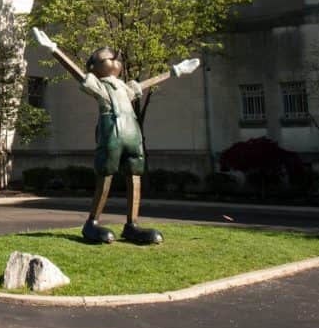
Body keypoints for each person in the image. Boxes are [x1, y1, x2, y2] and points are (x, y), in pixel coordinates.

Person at [33, 29, 200, 245]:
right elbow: (78, 74)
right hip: (111, 132)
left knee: (134, 175)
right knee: (106, 175)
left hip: (132, 134)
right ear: (94, 66)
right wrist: (54, 50)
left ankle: (132, 225)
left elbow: (146, 84)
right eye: (106, 56)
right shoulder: (98, 85)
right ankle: (92, 223)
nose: (113, 58)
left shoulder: (125, 87)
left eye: (114, 56)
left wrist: (176, 71)